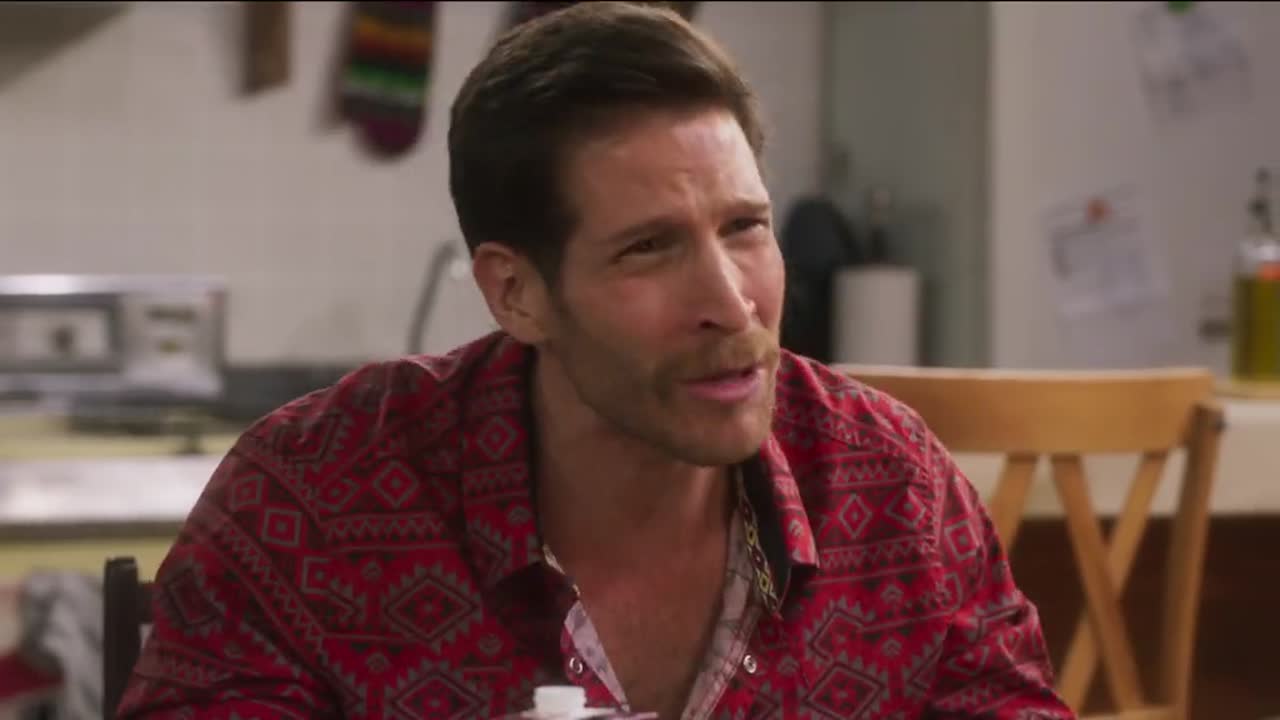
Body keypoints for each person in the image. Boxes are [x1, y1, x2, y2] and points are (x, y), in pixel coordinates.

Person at [117, 3, 1075, 719]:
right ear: (516, 293)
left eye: (745, 228)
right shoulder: (313, 500)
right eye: (649, 249)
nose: (731, 302)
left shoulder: (892, 486)